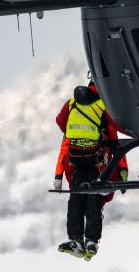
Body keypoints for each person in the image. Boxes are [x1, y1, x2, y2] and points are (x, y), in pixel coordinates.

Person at [54, 82, 127, 259]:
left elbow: (61, 125)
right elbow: (117, 135)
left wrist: (58, 175)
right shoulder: (103, 104)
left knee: (76, 199)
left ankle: (75, 239)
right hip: (97, 162)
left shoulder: (72, 104)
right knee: (94, 199)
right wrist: (123, 170)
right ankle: (91, 240)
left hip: (76, 161)